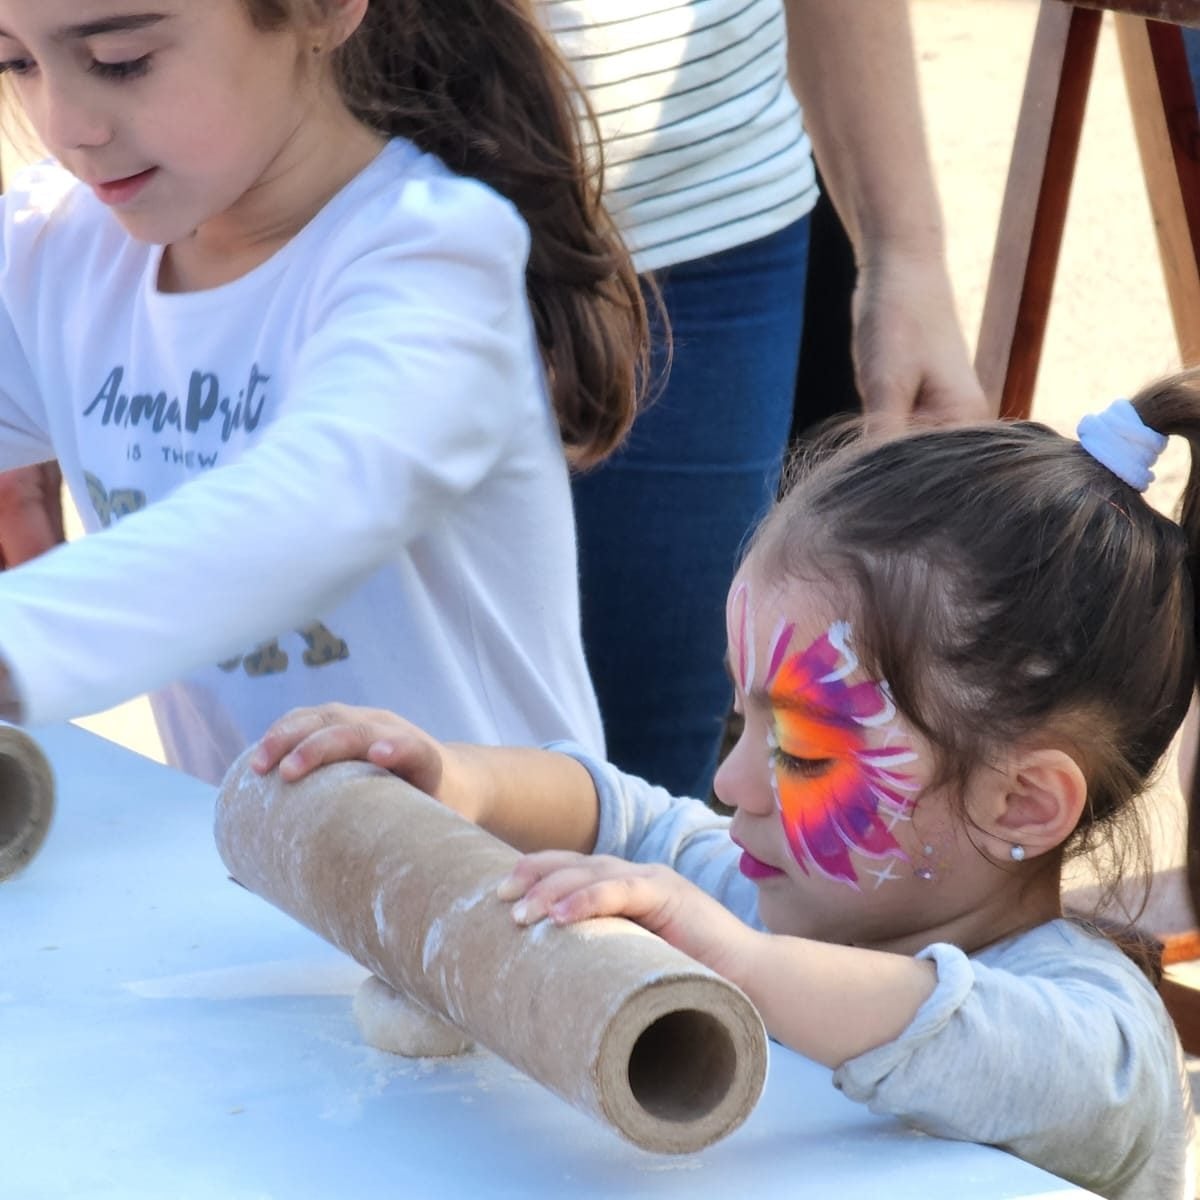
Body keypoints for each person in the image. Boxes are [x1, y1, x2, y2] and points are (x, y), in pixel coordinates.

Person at [253, 373, 1200, 1199]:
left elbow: (963, 1036)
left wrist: (732, 961)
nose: (729, 779)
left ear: (1021, 804)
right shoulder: (771, 893)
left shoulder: (1102, 1042)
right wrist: (463, 779)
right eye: (740, 718)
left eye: (802, 751)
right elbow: (625, 818)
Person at [0, 0, 646, 783]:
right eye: (17, 63)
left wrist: (19, 640)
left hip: (496, 882)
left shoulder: (430, 258)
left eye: (122, 60)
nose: (65, 124)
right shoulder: (57, 249)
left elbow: (318, 502)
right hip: (242, 883)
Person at [546, 0, 991, 800]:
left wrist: (903, 248)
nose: (739, 784)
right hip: (358, 213)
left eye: (796, 753)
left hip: (710, 222)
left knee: (648, 791)